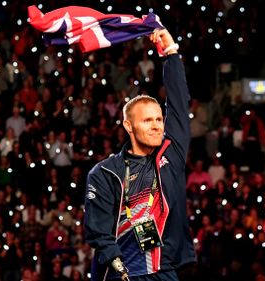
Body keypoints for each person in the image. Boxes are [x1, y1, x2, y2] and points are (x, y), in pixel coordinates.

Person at [84, 28, 196, 281]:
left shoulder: (171, 154)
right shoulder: (105, 173)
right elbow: (98, 230)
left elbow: (178, 103)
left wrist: (171, 53)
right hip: (123, 274)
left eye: (159, 119)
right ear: (128, 126)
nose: (157, 125)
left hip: (165, 271)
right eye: (147, 120)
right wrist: (118, 267)